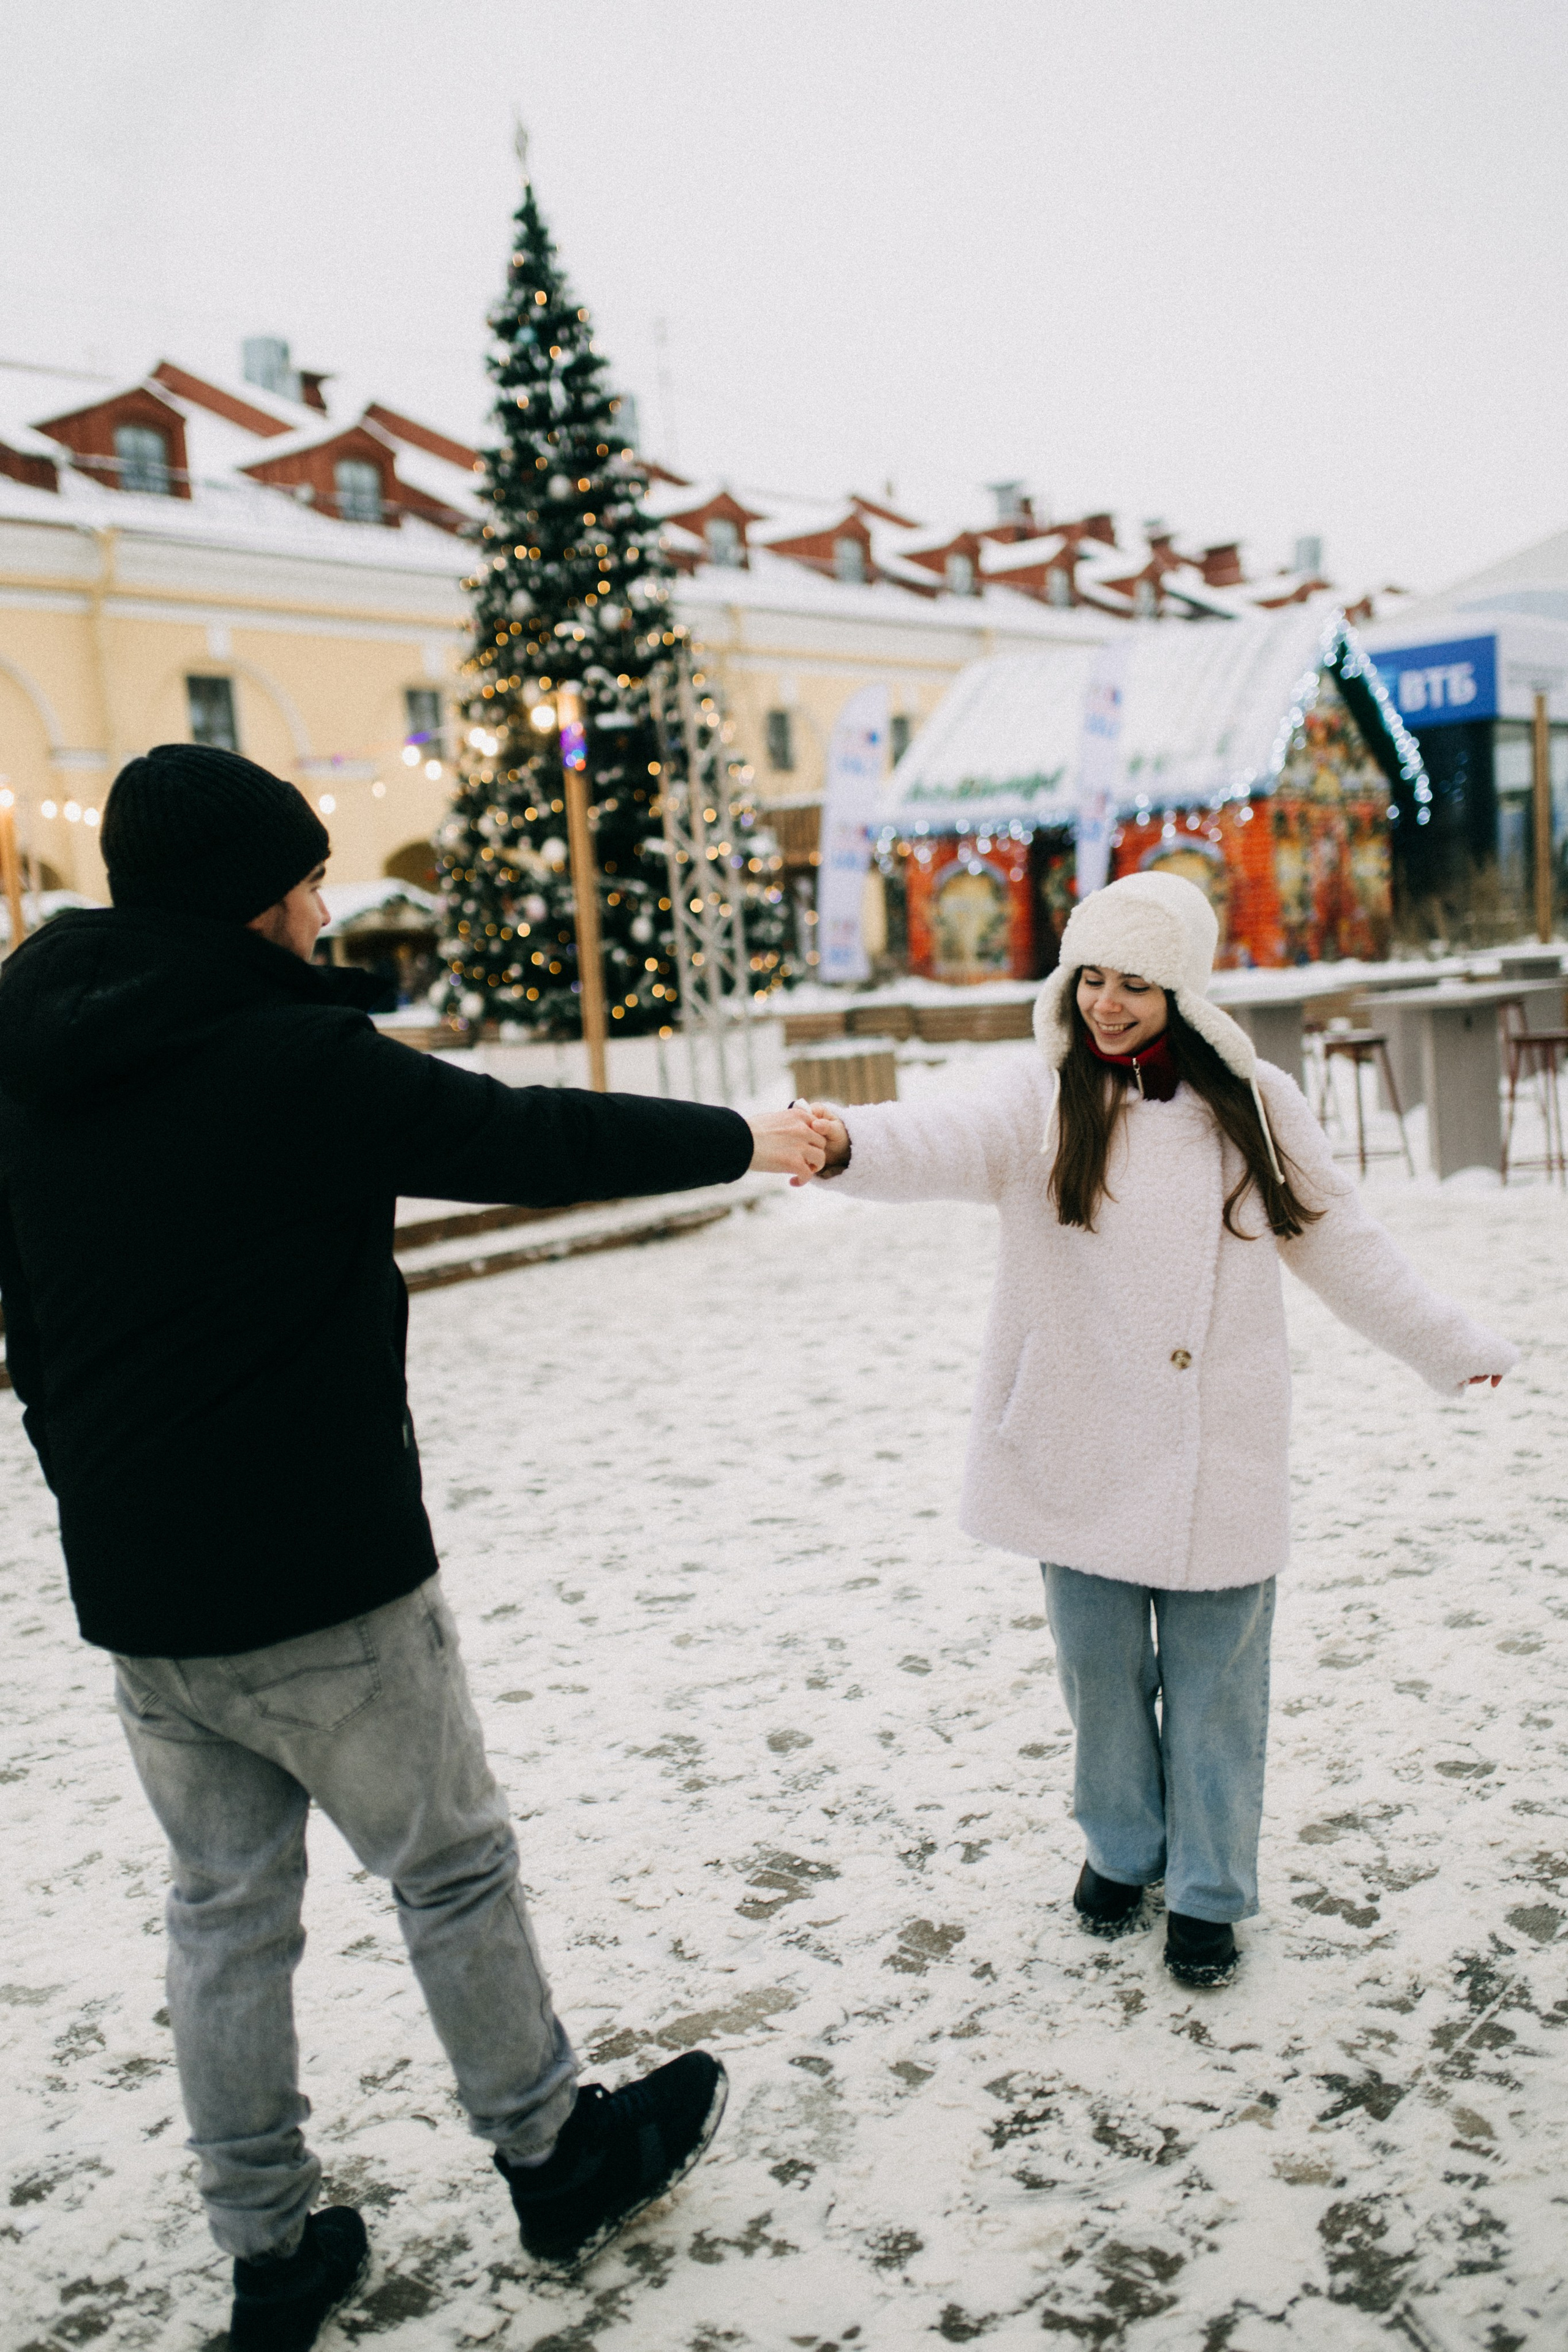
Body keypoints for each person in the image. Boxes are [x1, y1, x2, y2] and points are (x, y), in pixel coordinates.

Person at [0, 744, 828, 2351]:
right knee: (449, 1870)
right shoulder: (289, 1059)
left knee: (223, 1908)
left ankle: (270, 2246)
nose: (324, 907)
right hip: (324, 1579)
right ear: (254, 896)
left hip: (144, 1596)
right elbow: (534, 1142)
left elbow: (25, 1329)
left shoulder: (26, 1062)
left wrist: (97, 1498)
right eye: (307, 879)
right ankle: (558, 2153)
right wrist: (746, 1138)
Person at [804, 871, 1515, 1991]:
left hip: (1212, 1451)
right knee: (1098, 1676)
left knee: (1218, 1690)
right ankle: (1124, 1848)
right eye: (1092, 976)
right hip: (1078, 1442)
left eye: (1136, 983)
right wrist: (839, 1142)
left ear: (1182, 991)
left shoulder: (1256, 1101)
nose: (1107, 1003)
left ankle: (1209, 1893)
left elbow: (1342, 1241)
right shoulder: (1040, 1099)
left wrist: (1443, 1341)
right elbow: (933, 1138)